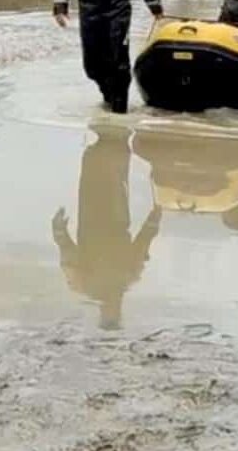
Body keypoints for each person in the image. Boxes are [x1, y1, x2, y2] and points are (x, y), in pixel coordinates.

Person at [53, 125, 162, 331]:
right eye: (115, 314)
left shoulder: (84, 283)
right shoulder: (127, 277)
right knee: (112, 168)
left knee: (101, 167)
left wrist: (60, 233)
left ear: (102, 313)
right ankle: (114, 135)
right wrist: (153, 220)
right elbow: (142, 245)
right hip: (113, 215)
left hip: (93, 218)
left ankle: (111, 134)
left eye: (109, 315)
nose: (112, 309)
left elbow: (68, 256)